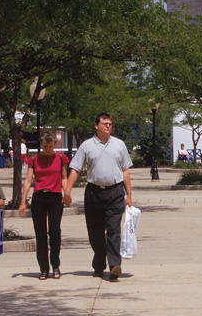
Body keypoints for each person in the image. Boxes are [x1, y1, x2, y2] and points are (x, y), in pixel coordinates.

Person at [62, 112, 133, 281]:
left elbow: (125, 170)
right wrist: (67, 192)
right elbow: (76, 169)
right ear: (96, 126)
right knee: (95, 233)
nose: (108, 126)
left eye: (110, 124)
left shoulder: (119, 145)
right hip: (94, 192)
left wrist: (129, 194)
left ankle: (115, 265)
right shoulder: (86, 146)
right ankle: (99, 264)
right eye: (104, 123)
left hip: (115, 192)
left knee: (114, 230)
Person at [19, 129, 69, 279]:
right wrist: (23, 201)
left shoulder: (61, 158)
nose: (47, 150)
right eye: (44, 147)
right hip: (39, 198)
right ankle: (43, 269)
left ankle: (55, 265)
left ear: (54, 144)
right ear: (40, 145)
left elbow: (64, 178)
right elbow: (28, 181)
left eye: (50, 146)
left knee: (54, 232)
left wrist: (66, 193)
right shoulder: (33, 160)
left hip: (55, 198)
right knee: (40, 235)